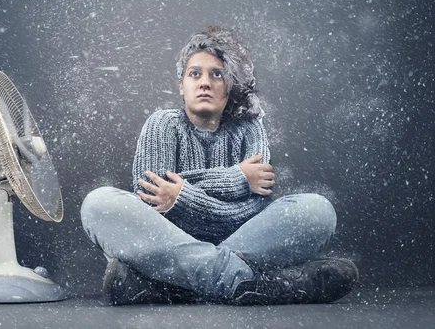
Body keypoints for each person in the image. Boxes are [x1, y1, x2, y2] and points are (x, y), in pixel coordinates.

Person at [80, 26, 358, 305]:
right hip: (167, 241)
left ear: (230, 84)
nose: (205, 82)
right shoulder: (161, 124)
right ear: (181, 85)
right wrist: (237, 179)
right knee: (99, 204)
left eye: (217, 74)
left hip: (234, 243)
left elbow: (256, 207)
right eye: (194, 73)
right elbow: (151, 199)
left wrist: (182, 197)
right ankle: (252, 282)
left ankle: (168, 285)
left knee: (317, 211)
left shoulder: (250, 127)